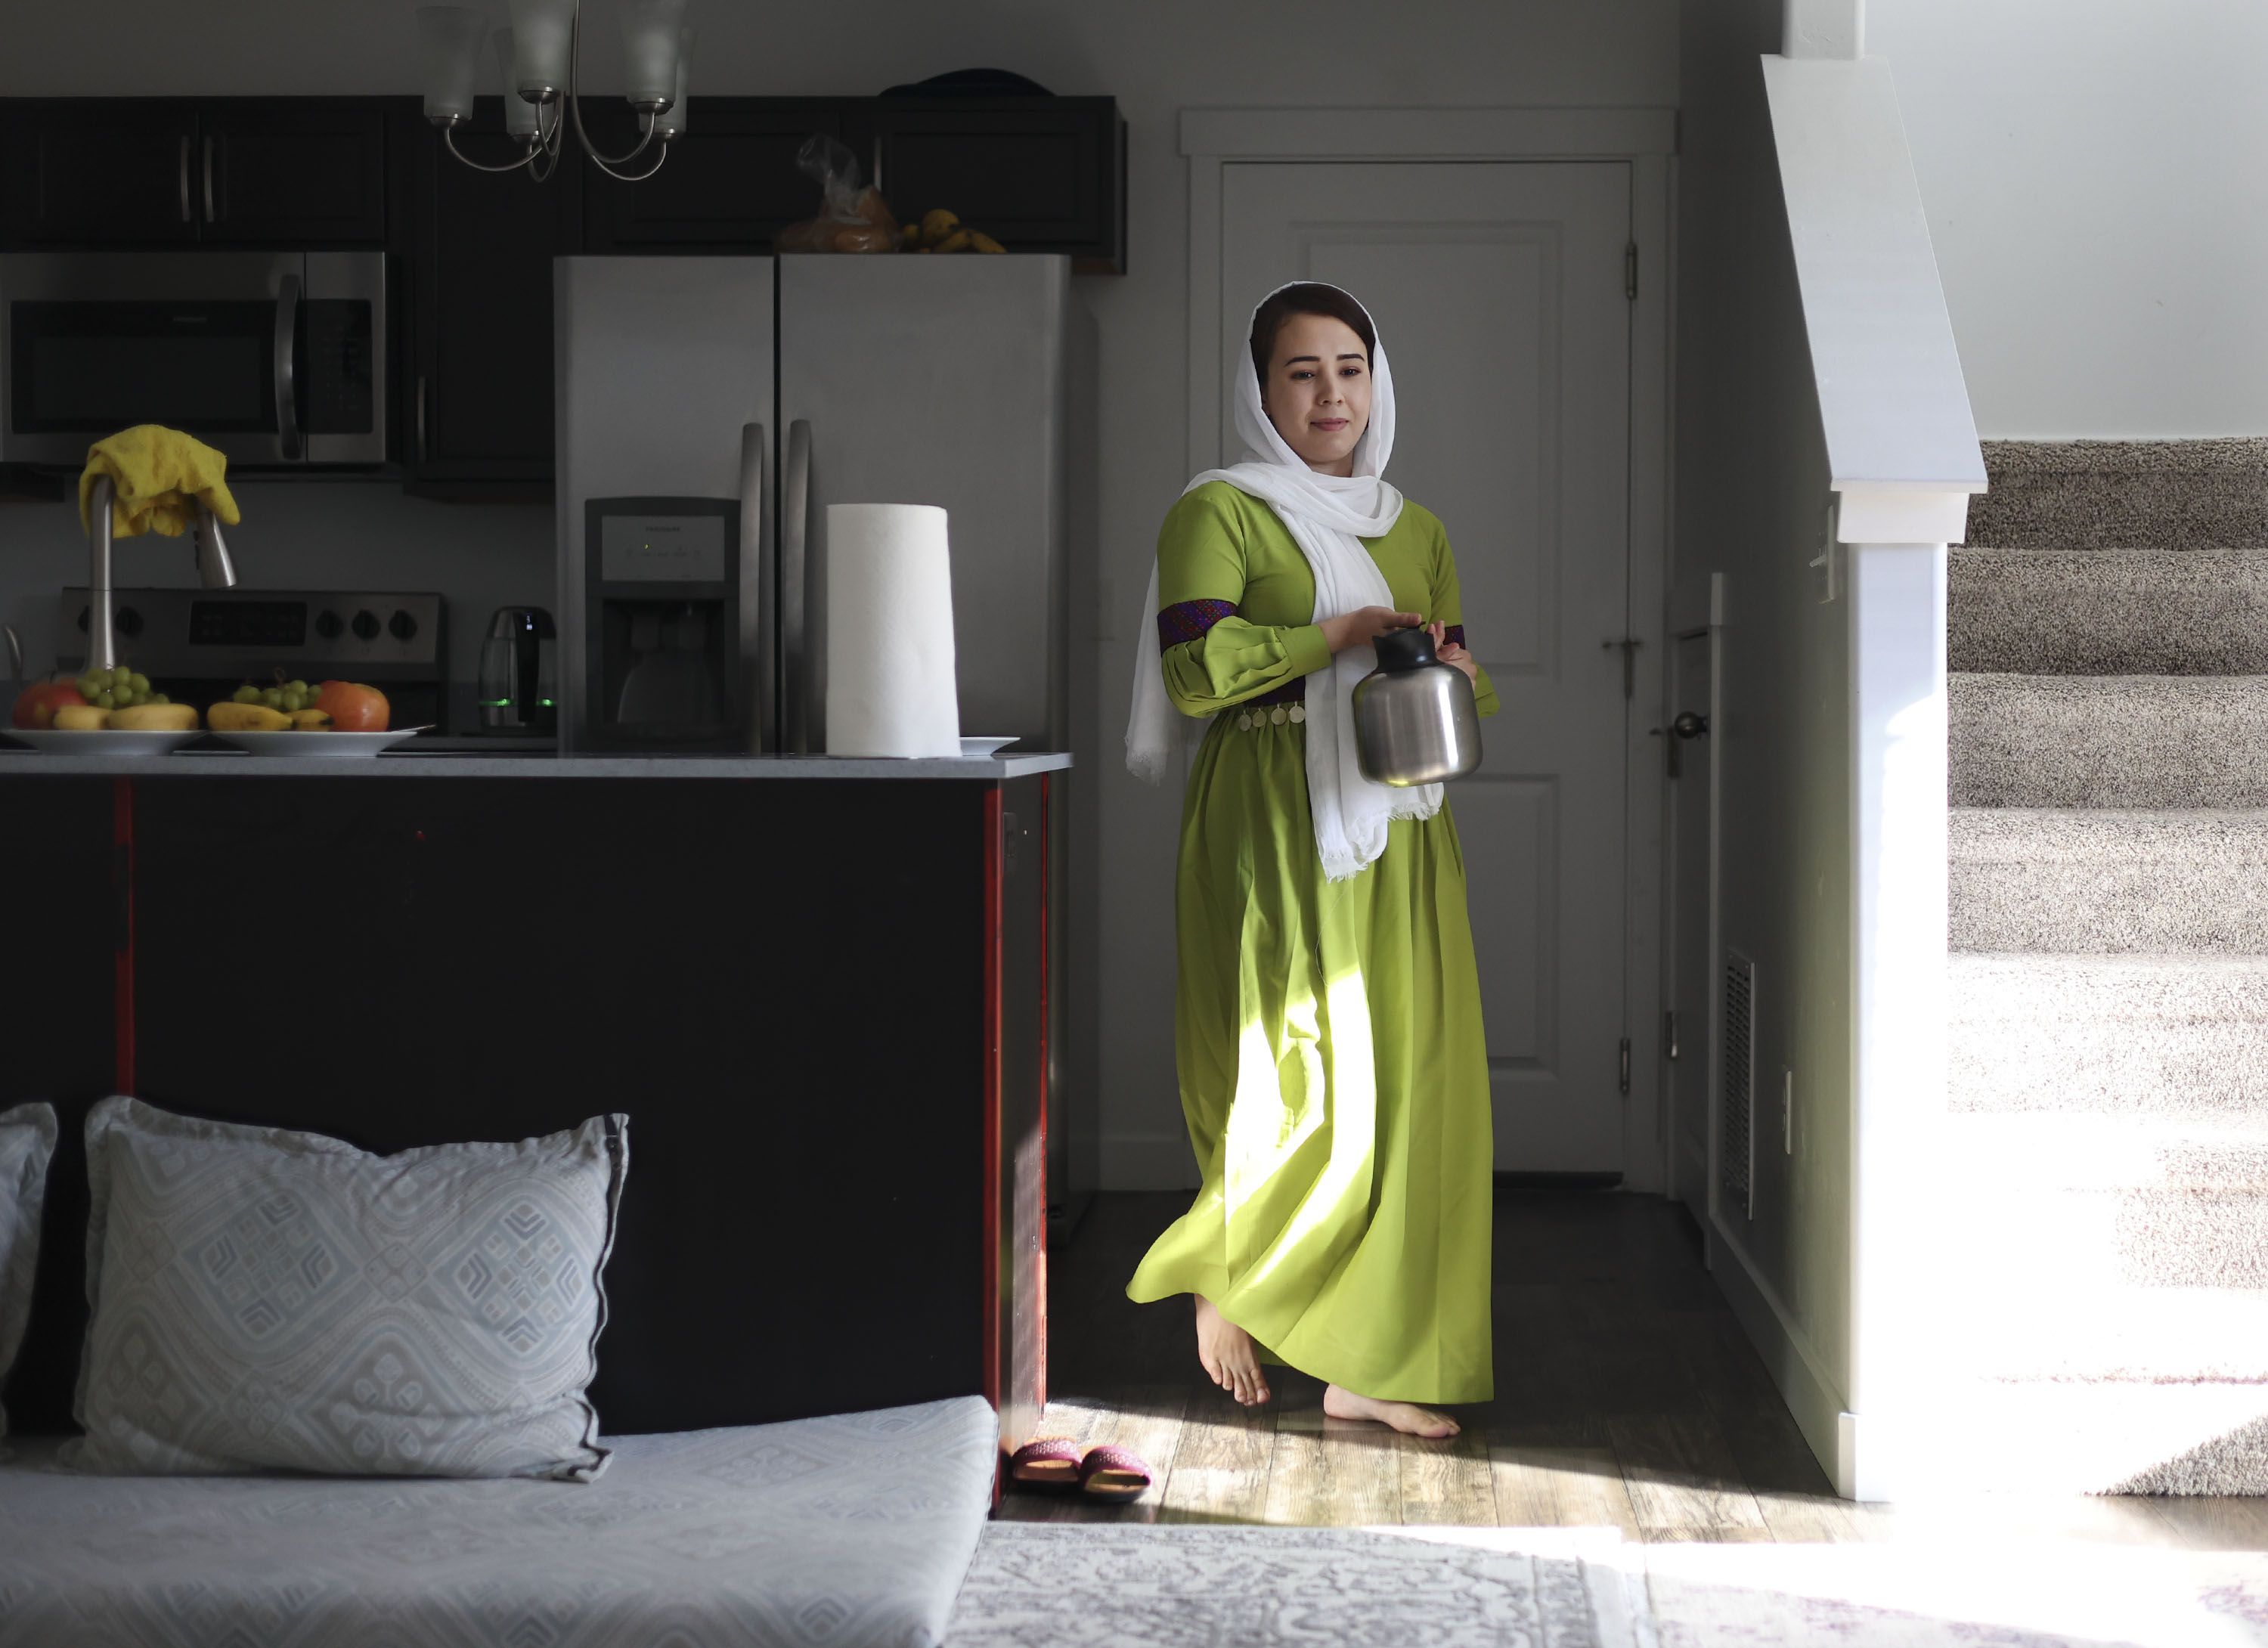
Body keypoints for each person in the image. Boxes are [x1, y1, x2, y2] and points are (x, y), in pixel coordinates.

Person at [1122, 281, 1498, 1439]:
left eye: (1350, 367)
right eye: (1302, 371)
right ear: (1260, 388)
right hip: (1276, 819)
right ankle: (1224, 1274)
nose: (1331, 393)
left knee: (1412, 1091)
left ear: (1376, 381)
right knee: (1291, 1068)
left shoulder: (1415, 525)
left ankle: (1365, 1364)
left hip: (1399, 822)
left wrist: (1447, 661)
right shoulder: (1221, 511)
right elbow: (1196, 675)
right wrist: (1333, 634)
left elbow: (1461, 675)